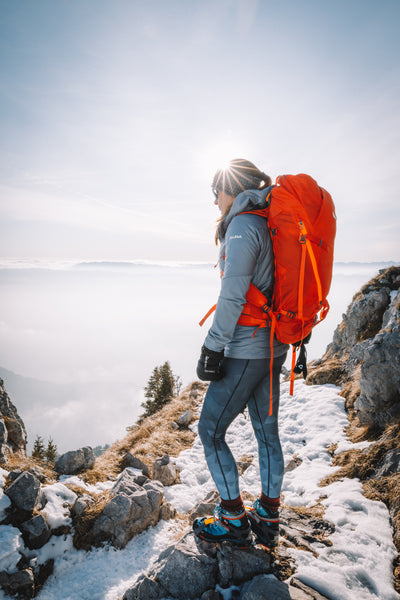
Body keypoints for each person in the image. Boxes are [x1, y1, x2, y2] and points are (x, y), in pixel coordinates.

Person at [193, 158, 289, 548]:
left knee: (210, 431)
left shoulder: (242, 226)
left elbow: (233, 295)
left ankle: (233, 520)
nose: (215, 201)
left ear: (230, 188)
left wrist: (212, 347)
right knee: (267, 433)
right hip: (274, 345)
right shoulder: (266, 221)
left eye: (215, 191)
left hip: (247, 347)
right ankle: (267, 515)